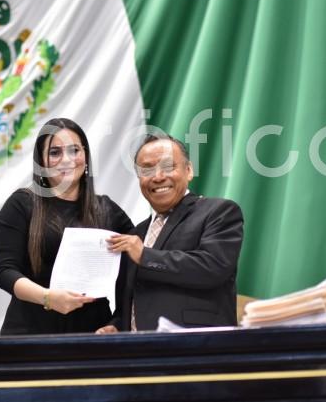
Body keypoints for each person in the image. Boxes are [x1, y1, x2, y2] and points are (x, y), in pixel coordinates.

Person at [0, 118, 134, 335]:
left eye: (74, 150)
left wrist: (117, 321)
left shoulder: (108, 210)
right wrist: (48, 298)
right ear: (42, 161)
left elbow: (133, 273)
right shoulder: (22, 204)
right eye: (55, 152)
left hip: (94, 335)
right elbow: (5, 272)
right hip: (30, 333)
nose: (66, 160)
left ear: (85, 156)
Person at [98, 134, 243, 332]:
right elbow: (130, 300)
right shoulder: (136, 234)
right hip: (137, 354)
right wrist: (116, 326)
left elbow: (213, 268)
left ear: (189, 170)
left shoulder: (219, 212)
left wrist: (145, 256)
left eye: (168, 167)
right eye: (147, 169)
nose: (158, 177)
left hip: (196, 350)